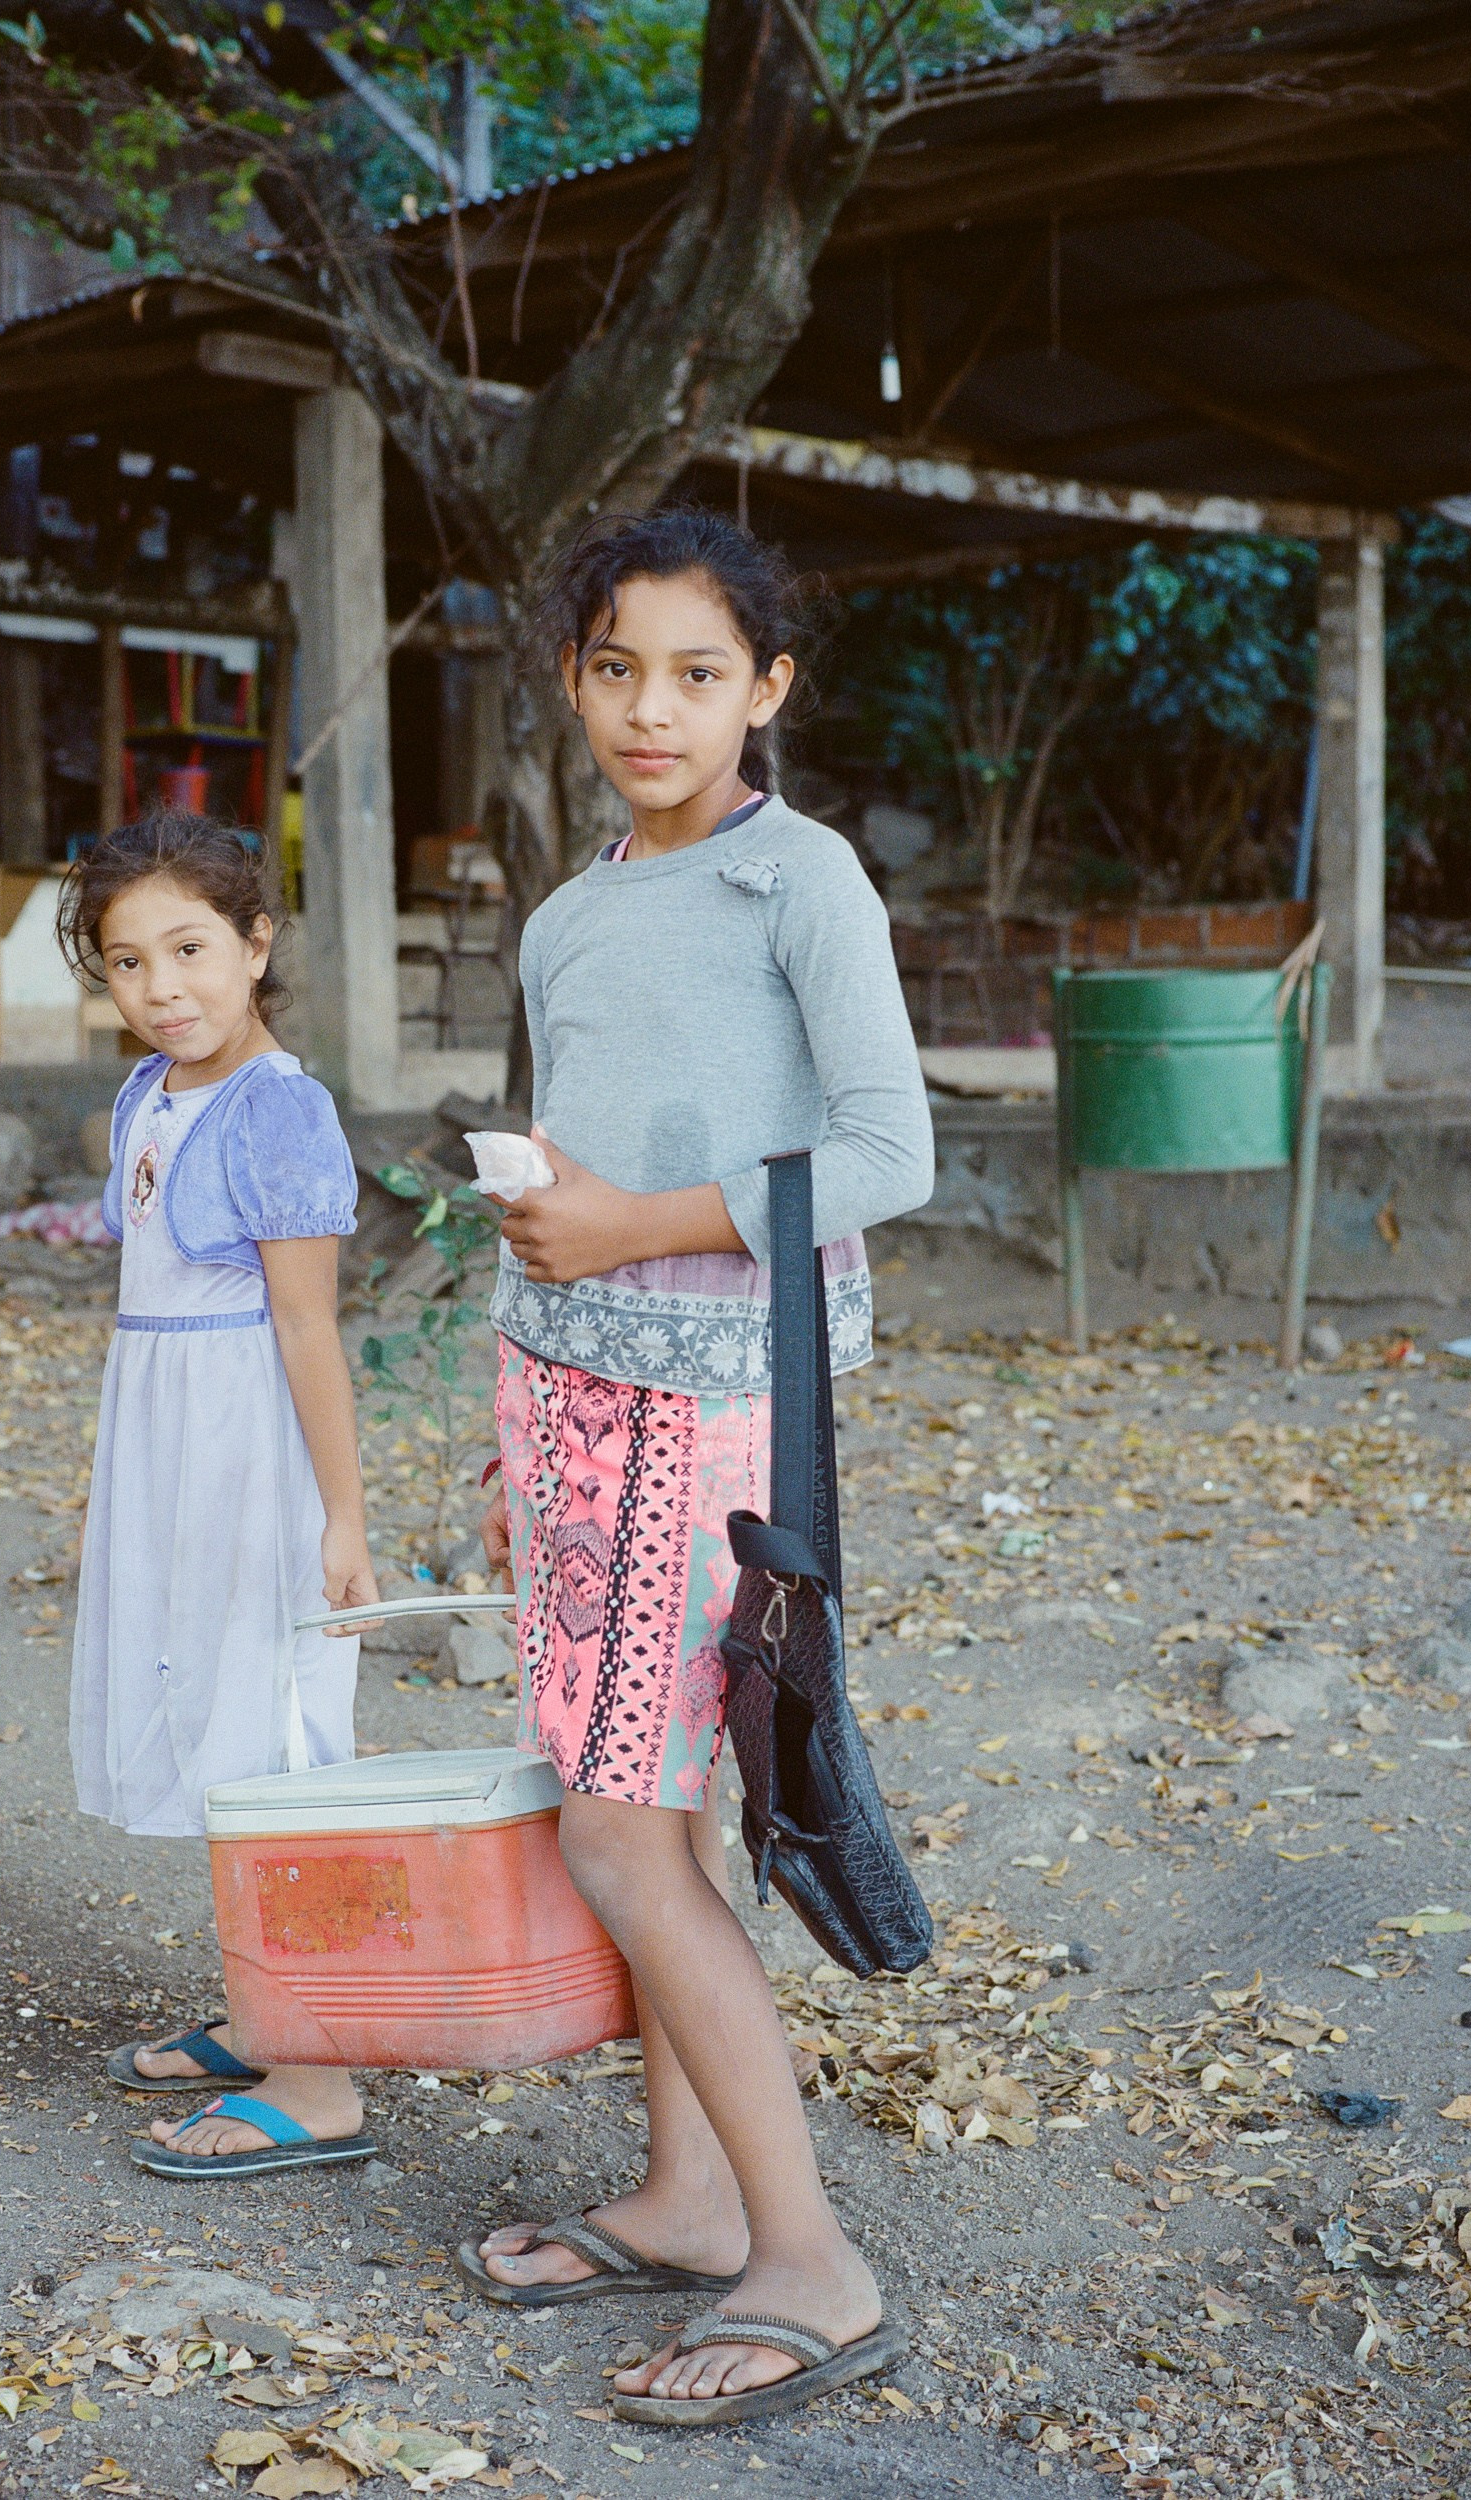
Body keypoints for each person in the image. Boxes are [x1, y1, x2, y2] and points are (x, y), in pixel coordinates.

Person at [456, 510, 934, 2426]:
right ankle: (685, 2195)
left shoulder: (798, 882)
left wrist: (642, 1217)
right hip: (562, 1398)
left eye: (700, 672)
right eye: (618, 668)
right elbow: (566, 1187)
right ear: (573, 680)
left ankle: (810, 2260)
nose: (654, 710)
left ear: (770, 691)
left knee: (624, 1834)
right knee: (644, 1804)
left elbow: (893, 1152)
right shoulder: (569, 910)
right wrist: (531, 1331)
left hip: (721, 1415)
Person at [61, 807, 378, 2178]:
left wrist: (344, 1517)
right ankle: (268, 2014)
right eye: (127, 963)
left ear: (257, 943)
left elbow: (309, 1331)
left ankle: (318, 2078)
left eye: (190, 948)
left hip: (252, 1447)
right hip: (162, 1437)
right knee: (204, 1711)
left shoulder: (280, 1112)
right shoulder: (149, 1094)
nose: (162, 988)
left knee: (268, 1731)